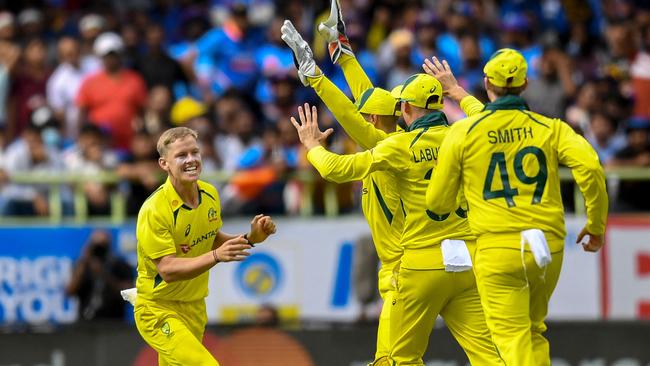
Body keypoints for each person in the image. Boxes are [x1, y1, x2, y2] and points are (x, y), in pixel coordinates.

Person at [288, 78, 501, 364]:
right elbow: (491, 121)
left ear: (408, 108)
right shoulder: (464, 134)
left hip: (418, 265)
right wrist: (460, 93)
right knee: (490, 357)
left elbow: (335, 169)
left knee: (396, 359)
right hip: (466, 261)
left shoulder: (400, 145)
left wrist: (312, 146)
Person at [425, 48, 608, 366]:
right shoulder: (551, 128)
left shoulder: (463, 132)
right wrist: (596, 224)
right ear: (525, 85)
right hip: (547, 244)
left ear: (487, 83)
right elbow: (591, 167)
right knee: (533, 331)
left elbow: (437, 201)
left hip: (498, 245)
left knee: (510, 338)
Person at [134, 126, 276, 366]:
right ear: (164, 164)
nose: (191, 160)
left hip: (194, 307)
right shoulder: (154, 209)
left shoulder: (209, 193)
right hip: (157, 309)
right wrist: (216, 256)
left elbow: (210, 236)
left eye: (194, 153)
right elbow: (167, 269)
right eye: (181, 155)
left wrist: (250, 238)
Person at [66, 229, 134, 320]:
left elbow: (128, 294)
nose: (99, 250)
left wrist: (103, 274)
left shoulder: (120, 265)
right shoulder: (82, 265)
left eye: (103, 246)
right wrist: (84, 260)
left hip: (114, 323)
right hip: (85, 322)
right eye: (96, 246)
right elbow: (70, 292)